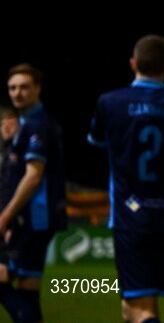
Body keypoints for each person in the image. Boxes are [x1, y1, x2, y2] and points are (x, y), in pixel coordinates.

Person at [87, 35, 164, 323]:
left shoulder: (109, 103)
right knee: (134, 304)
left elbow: (96, 141)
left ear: (133, 63)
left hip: (130, 215)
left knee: (140, 310)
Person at [0, 64, 67, 323]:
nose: (17, 93)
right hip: (31, 218)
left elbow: (32, 176)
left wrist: (5, 216)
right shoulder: (25, 125)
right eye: (12, 88)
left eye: (24, 87)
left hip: (33, 218)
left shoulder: (37, 125)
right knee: (27, 290)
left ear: (38, 88)